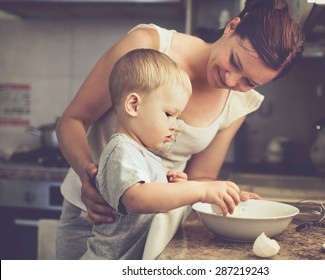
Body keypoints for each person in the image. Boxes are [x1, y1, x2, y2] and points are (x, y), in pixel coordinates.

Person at [56, 0, 305, 259]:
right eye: (234, 61)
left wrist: (223, 196)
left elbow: (201, 178)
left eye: (249, 82)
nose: (230, 80)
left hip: (152, 232)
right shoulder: (148, 45)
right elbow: (73, 120)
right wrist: (88, 178)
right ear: (232, 27)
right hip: (92, 219)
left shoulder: (239, 102)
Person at [79, 48, 241, 259]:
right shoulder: (121, 150)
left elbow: (153, 199)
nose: (175, 125)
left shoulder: (142, 154)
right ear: (134, 105)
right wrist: (198, 190)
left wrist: (174, 188)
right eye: (169, 114)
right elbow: (137, 198)